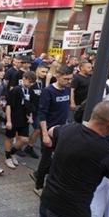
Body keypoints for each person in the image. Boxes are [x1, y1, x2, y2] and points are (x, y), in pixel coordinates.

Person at [33, 64, 73, 195]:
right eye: (66, 79)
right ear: (57, 76)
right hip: (49, 130)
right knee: (46, 158)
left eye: (70, 79)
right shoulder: (48, 91)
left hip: (62, 130)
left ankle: (39, 174)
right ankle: (38, 186)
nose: (68, 82)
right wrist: (44, 134)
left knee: (58, 158)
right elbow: (42, 114)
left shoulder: (67, 90)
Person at [4, 71, 36, 169]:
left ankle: (12, 152)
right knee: (10, 137)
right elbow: (8, 105)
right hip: (13, 118)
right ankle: (7, 157)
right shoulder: (16, 90)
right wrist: (8, 120)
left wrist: (30, 116)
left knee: (24, 139)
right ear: (24, 78)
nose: (30, 84)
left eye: (32, 83)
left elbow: (31, 105)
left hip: (24, 119)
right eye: (29, 81)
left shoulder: (30, 91)